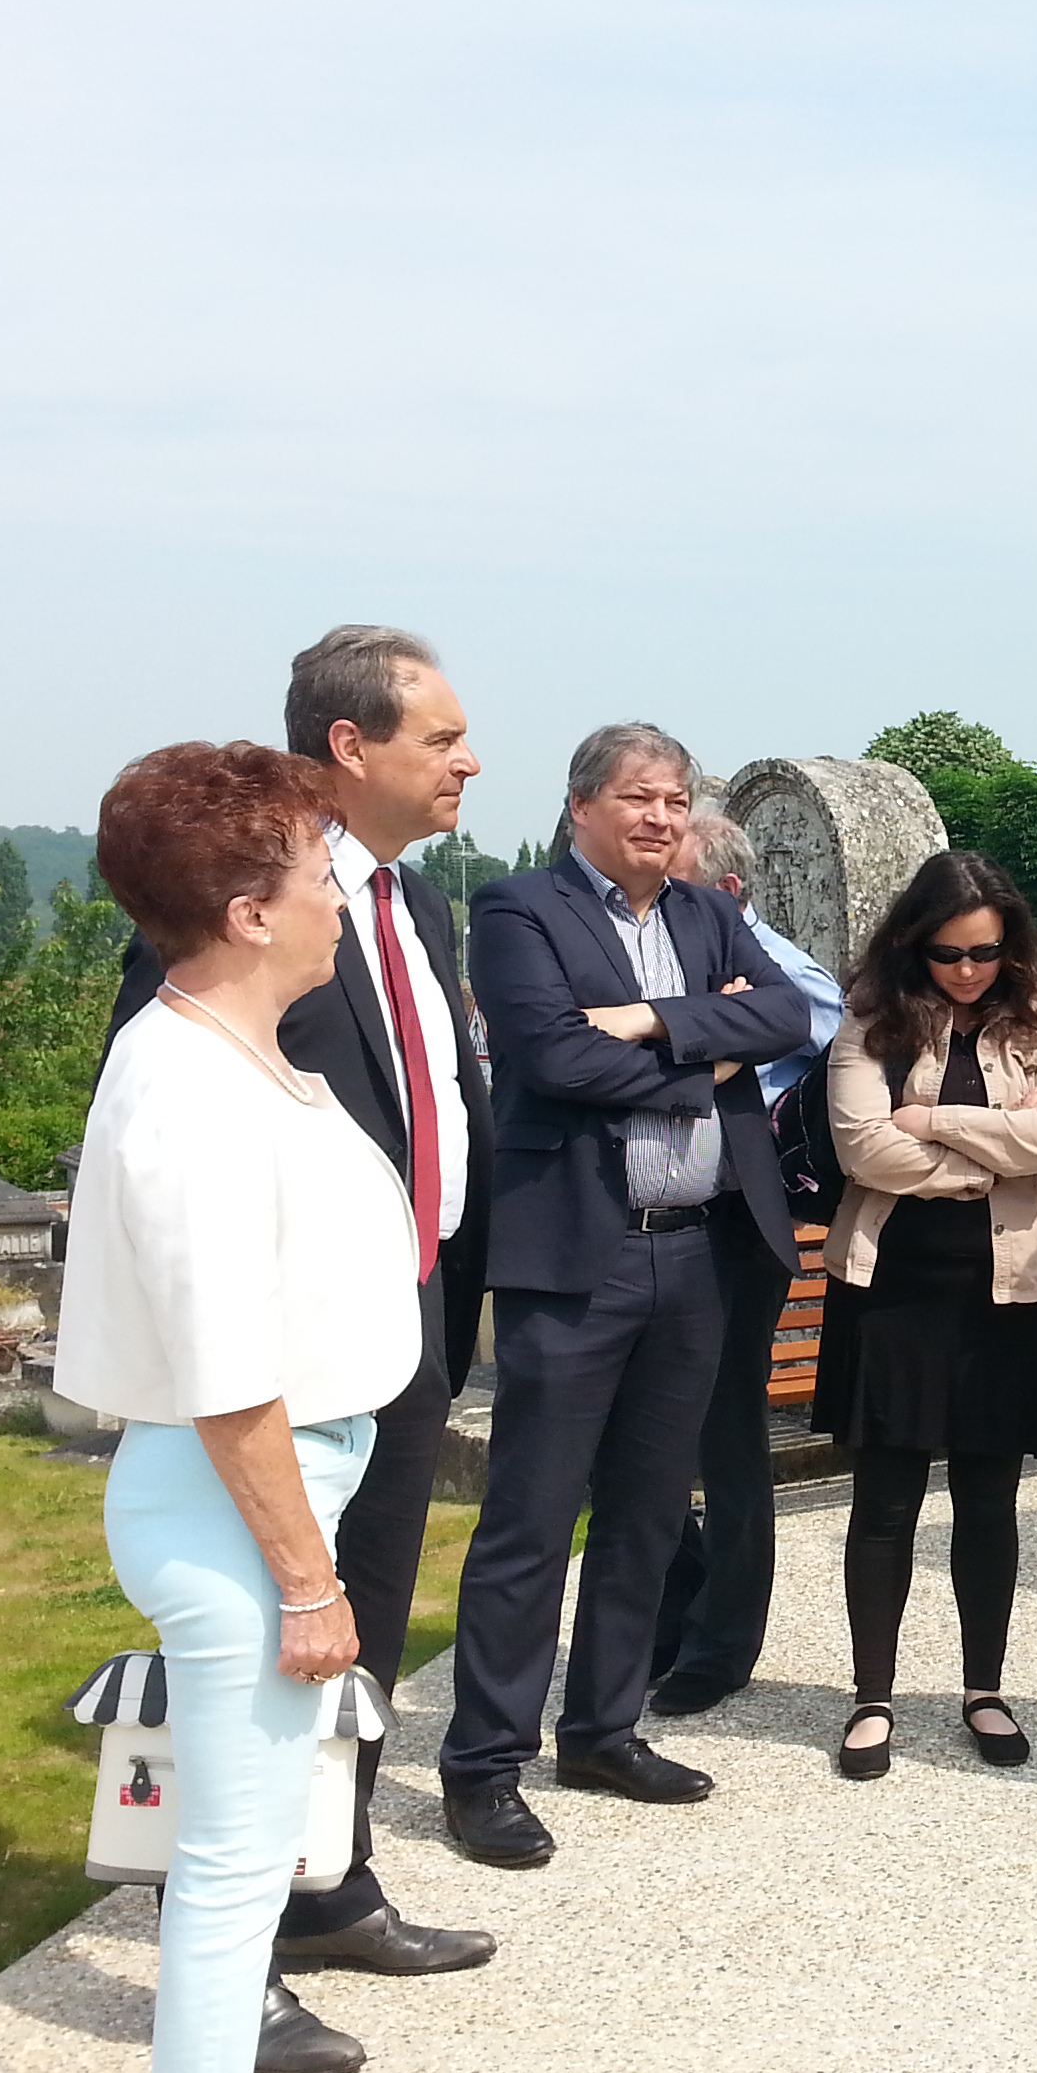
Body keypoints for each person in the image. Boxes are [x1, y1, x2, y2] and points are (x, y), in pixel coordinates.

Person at [59, 740, 421, 2073]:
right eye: (315, 867)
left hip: (272, 1490)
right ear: (240, 904)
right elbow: (225, 1381)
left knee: (244, 1864)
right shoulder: (183, 1084)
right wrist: (310, 1583)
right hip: (239, 1513)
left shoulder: (236, 1047)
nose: (338, 891)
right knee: (227, 1882)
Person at [109, 625, 494, 2073]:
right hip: (269, 1373)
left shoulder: (416, 913)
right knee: (271, 1652)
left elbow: (439, 1106)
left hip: (402, 1331)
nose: (469, 760)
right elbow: (170, 1160)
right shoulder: (245, 912)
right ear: (351, 748)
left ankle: (332, 1887)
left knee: (370, 1629)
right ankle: (237, 1954)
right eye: (443, 736)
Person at [436, 725, 811, 1869]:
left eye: (673, 800)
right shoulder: (520, 910)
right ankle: (484, 1766)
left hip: (698, 1253)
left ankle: (602, 1729)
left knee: (652, 1508)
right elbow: (554, 1062)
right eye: (636, 798)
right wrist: (712, 1052)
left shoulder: (704, 914)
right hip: (578, 1258)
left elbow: (789, 1015)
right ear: (582, 806)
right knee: (534, 1517)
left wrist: (653, 1021)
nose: (659, 817)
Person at [816, 849, 1037, 1778]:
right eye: (949, 954)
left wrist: (929, 1123)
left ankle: (984, 1687)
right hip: (893, 1287)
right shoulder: (870, 1018)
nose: (970, 972)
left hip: (1005, 1288)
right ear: (912, 945)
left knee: (988, 1501)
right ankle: (871, 1697)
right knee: (885, 1502)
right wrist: (999, 1159)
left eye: (986, 953)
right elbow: (862, 1152)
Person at [647, 805, 845, 1718]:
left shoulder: (784, 969)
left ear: (725, 892)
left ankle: (723, 1644)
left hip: (736, 1225)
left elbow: (839, 1057)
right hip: (658, 1221)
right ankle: (666, 1617)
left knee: (726, 1438)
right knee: (647, 1439)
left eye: (672, 873)